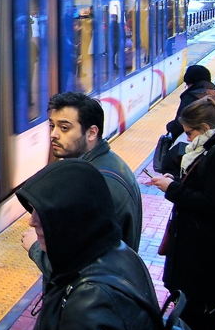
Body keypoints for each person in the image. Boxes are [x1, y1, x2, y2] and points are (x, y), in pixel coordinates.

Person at [19, 160, 161, 330]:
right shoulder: (118, 250)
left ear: (73, 216)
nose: (31, 221)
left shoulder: (89, 302)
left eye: (44, 212)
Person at [147, 97, 215, 330]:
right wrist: (172, 181)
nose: (187, 139)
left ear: (204, 127)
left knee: (201, 317)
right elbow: (201, 185)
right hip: (196, 247)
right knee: (190, 312)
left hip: (206, 253)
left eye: (190, 132)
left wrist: (173, 189)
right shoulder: (212, 148)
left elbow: (213, 203)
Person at [22, 92, 142, 280]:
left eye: (64, 127)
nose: (53, 134)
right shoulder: (103, 166)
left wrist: (36, 249)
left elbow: (81, 266)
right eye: (52, 126)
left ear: (92, 132)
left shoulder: (98, 185)